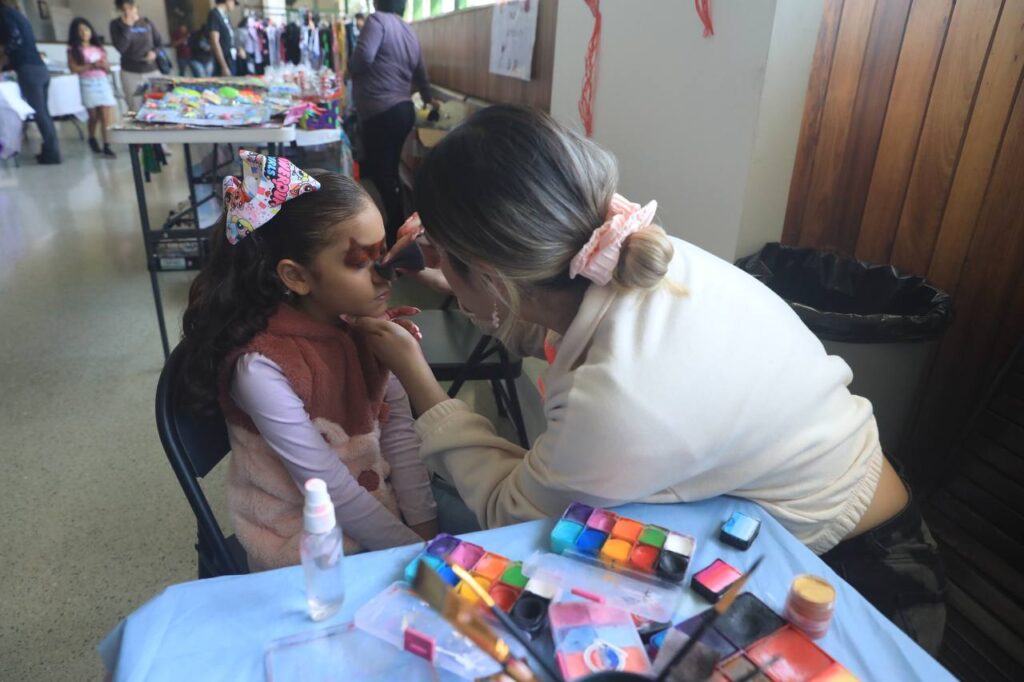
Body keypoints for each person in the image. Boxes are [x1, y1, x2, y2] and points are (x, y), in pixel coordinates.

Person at [355, 105, 947, 653]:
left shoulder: (617, 398)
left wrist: (418, 379)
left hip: (855, 576)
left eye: (443, 255)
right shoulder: (636, 254)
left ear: (494, 275)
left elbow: (513, 511)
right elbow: (558, 328)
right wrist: (462, 288)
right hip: (827, 509)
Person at [179, 150, 438, 571]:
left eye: (383, 253)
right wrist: (412, 554)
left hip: (377, 515)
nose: (385, 274)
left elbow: (400, 435)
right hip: (301, 548)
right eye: (360, 262)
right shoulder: (259, 368)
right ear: (296, 276)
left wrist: (428, 536)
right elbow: (326, 486)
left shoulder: (363, 327)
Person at [349, 0, 437, 246]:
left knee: (382, 172)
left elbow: (363, 57)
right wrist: (430, 101)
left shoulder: (377, 21)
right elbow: (421, 74)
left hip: (380, 110)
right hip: (404, 109)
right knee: (389, 170)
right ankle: (399, 224)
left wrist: (351, 66)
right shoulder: (409, 31)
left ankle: (396, 228)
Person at [0, 0, 60, 163]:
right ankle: (50, 149)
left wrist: (5, 56)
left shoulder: (3, 15)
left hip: (27, 68)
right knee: (44, 113)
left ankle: (52, 154)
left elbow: (14, 38)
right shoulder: (19, 15)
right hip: (39, 67)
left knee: (40, 113)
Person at [66, 18, 116, 158]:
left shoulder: (98, 48)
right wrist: (91, 66)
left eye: (86, 29)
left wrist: (103, 65)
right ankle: (92, 137)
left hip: (102, 81)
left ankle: (107, 145)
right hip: (87, 83)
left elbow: (107, 69)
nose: (84, 33)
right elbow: (74, 68)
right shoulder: (73, 50)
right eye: (80, 31)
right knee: (93, 116)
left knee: (105, 115)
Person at [109, 0, 162, 111]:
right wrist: (127, 27)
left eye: (131, 8)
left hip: (151, 70)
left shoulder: (147, 22)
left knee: (158, 105)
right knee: (136, 107)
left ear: (136, 7)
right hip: (130, 72)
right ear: (120, 10)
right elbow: (121, 48)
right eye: (125, 10)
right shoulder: (116, 25)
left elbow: (159, 43)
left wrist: (155, 53)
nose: (129, 12)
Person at [206, 0, 243, 77]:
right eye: (234, 2)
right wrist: (224, 66)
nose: (234, 5)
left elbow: (229, 37)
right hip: (222, 62)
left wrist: (238, 49)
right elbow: (215, 41)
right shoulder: (214, 14)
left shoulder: (225, 16)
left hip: (230, 58)